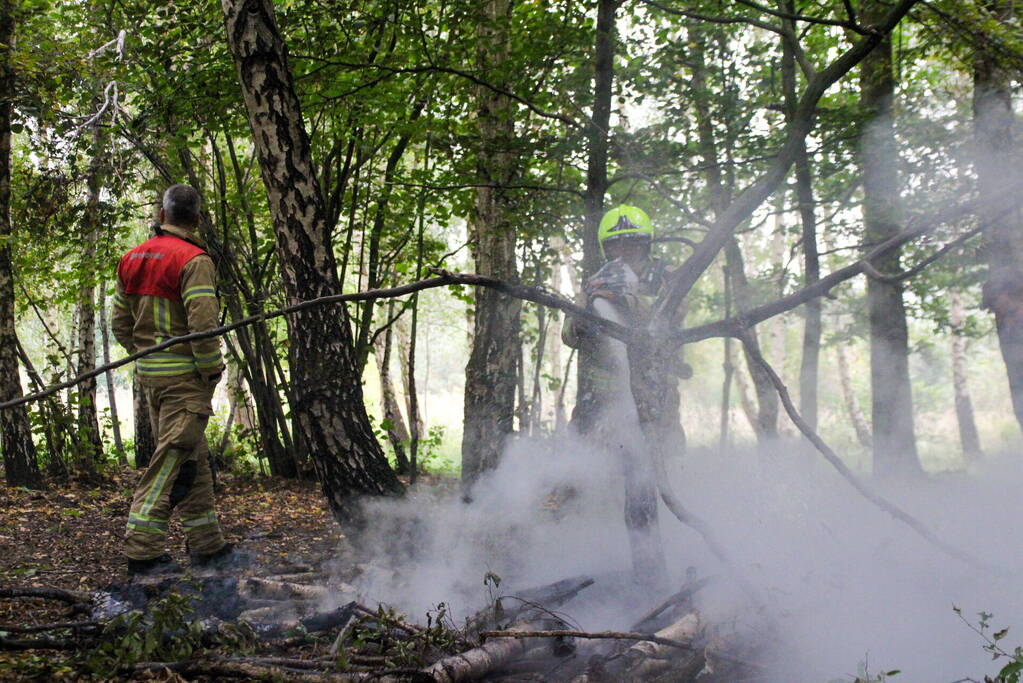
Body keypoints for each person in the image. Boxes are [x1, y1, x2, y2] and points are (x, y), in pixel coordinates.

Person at [111, 184, 239, 577]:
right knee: (168, 463)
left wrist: (147, 354)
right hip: (185, 381)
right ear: (196, 219)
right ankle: (142, 553)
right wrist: (211, 370)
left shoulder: (132, 258)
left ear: (161, 214)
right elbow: (202, 325)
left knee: (193, 463)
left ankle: (208, 548)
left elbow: (119, 324)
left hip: (151, 378)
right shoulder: (194, 259)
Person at [563, 204, 690, 442]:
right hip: (600, 395)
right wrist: (580, 321)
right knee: (590, 460)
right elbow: (568, 335)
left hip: (656, 388)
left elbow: (675, 312)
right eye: (616, 244)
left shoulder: (666, 275)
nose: (624, 249)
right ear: (606, 248)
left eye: (633, 242)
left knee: (660, 453)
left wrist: (626, 301)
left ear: (646, 244)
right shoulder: (596, 281)